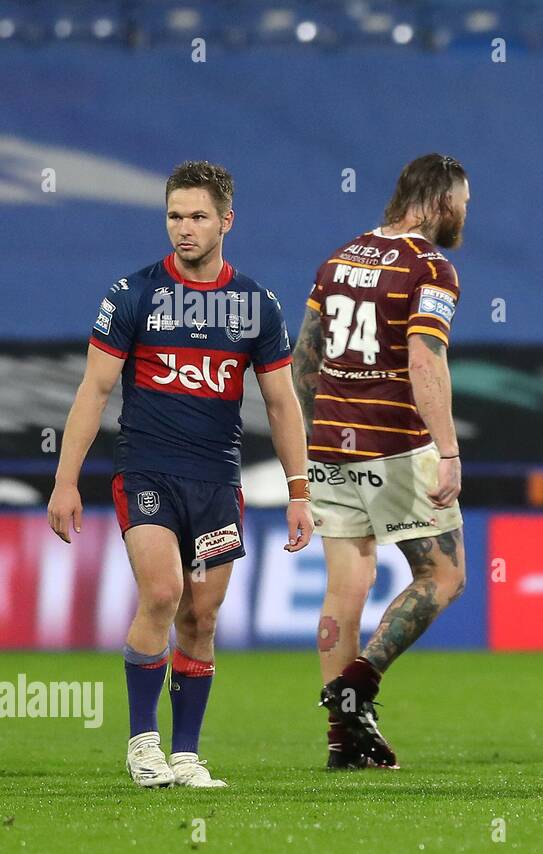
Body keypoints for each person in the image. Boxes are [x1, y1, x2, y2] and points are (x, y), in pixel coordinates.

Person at [47, 160, 311, 788]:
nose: (184, 229)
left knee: (202, 617)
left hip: (217, 481)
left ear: (226, 220)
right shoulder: (132, 294)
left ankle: (186, 754)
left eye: (197, 216)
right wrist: (65, 480)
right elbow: (93, 391)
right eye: (174, 216)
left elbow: (281, 403)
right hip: (146, 471)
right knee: (163, 594)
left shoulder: (255, 305)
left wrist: (300, 491)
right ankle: (143, 745)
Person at [292, 155, 469, 769]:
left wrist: (330, 427)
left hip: (330, 446)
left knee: (346, 586)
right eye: (463, 203)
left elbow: (302, 366)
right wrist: (447, 450)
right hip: (397, 444)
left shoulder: (336, 261)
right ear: (441, 201)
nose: (465, 215)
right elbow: (425, 361)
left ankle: (343, 744)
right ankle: (359, 685)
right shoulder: (432, 267)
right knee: (443, 577)